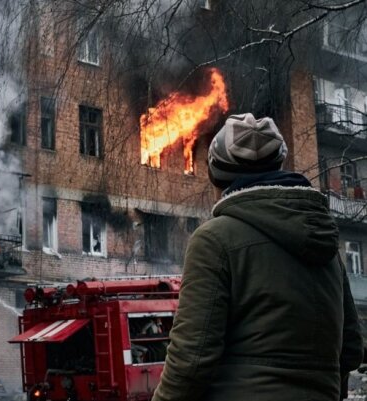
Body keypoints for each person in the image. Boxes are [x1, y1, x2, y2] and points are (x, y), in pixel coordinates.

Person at [152, 113, 363, 401]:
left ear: (218, 175)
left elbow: (191, 358)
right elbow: (350, 348)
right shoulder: (326, 245)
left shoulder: (214, 239)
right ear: (280, 164)